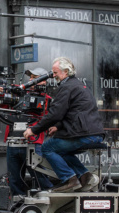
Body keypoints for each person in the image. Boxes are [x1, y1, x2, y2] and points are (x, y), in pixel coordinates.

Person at [22, 57, 103, 193]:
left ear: (65, 72)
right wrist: (58, 126)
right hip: (94, 134)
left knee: (47, 147)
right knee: (60, 150)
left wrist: (34, 130)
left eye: (55, 73)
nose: (53, 76)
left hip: (84, 134)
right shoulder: (78, 85)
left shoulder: (67, 87)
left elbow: (55, 114)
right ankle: (84, 175)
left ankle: (69, 179)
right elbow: (74, 112)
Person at [5, 67, 53, 196]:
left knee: (39, 176)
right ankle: (18, 206)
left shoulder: (47, 99)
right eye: (30, 77)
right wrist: (4, 91)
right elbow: (3, 105)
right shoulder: (18, 93)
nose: (31, 80)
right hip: (13, 141)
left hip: (33, 143)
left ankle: (51, 200)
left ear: (43, 81)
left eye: (34, 77)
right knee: (14, 179)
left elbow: (49, 119)